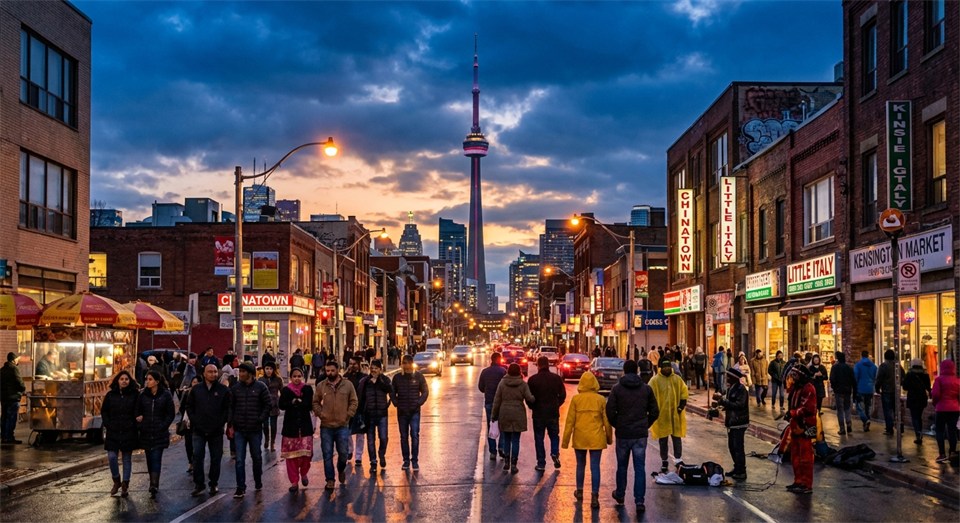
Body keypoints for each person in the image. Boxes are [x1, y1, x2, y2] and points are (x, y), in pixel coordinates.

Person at [606, 359, 659, 513]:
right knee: (640, 467)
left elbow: (610, 411)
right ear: (637, 370)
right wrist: (645, 424)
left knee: (622, 466)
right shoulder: (646, 389)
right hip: (639, 434)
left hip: (623, 433)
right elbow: (655, 411)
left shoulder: (617, 389)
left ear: (624, 370)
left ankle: (620, 494)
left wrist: (618, 424)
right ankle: (639, 500)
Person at [562, 371, 612, 509]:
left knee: (580, 465)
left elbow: (570, 421)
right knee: (595, 467)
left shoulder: (576, 400)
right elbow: (607, 422)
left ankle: (579, 491)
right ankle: (595, 496)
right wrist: (609, 438)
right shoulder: (601, 399)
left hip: (580, 437)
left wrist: (565, 441)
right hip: (596, 438)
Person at [185, 364, 230, 497]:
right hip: (199, 430)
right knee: (197, 457)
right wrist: (195, 420)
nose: (213, 374)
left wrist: (221, 422)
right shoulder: (196, 389)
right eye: (210, 372)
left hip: (216, 431)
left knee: (216, 458)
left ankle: (213, 483)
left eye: (215, 372)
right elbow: (189, 406)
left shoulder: (223, 390)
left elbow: (227, 409)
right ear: (204, 374)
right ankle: (199, 484)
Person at [227, 362, 271, 498]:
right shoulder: (235, 389)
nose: (240, 374)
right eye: (239, 372)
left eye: (243, 372)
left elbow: (267, 405)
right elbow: (231, 407)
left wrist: (260, 419)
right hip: (239, 429)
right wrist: (230, 423)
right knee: (239, 459)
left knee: (256, 457)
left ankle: (258, 480)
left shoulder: (260, 387)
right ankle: (240, 487)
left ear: (250, 373)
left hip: (255, 429)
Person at [313, 360, 358, 489]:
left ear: (338, 370)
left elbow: (354, 401)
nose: (330, 373)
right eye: (327, 371)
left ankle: (341, 469)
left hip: (342, 425)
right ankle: (330, 480)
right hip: (326, 426)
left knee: (343, 453)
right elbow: (315, 402)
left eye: (332, 370)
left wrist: (348, 415)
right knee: (327, 454)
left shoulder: (347, 385)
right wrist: (321, 414)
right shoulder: (321, 386)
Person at [135, 370, 175, 498]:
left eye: (150, 379)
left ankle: (154, 484)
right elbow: (137, 411)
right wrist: (140, 421)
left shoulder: (165, 395)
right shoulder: (142, 395)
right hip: (146, 432)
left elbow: (170, 413)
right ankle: (152, 481)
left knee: (156, 457)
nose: (148, 381)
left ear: (157, 382)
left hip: (159, 432)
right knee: (149, 458)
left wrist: (163, 426)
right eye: (147, 379)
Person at [492, 363, 535, 474]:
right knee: (516, 440)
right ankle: (514, 464)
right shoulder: (522, 384)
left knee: (506, 439)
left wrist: (494, 415)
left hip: (504, 412)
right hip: (518, 413)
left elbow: (497, 400)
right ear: (519, 371)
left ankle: (506, 461)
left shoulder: (502, 383)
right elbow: (529, 398)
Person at [101, 370, 139, 497]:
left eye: (126, 379)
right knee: (112, 456)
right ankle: (116, 480)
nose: (124, 381)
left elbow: (137, 411)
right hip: (113, 431)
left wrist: (135, 424)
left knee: (126, 458)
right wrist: (108, 424)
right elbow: (104, 411)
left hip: (128, 431)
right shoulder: (111, 395)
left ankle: (125, 484)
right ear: (117, 380)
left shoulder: (134, 395)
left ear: (130, 381)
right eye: (122, 379)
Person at [527, 356, 566, 471]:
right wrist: (556, 404)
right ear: (548, 365)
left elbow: (528, 397)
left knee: (539, 438)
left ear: (538, 365)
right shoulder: (556, 378)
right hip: (553, 413)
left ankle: (541, 463)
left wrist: (533, 407)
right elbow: (563, 395)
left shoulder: (533, 380)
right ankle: (554, 452)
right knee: (554, 435)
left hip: (538, 413)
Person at [648, 359, 688, 473]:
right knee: (663, 439)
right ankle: (664, 460)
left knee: (676, 438)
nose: (667, 369)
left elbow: (684, 392)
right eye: (664, 367)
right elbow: (650, 395)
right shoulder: (655, 381)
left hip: (675, 415)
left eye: (668, 367)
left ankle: (678, 459)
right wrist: (653, 410)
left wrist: (681, 406)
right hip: (662, 416)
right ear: (661, 368)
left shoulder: (677, 379)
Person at [278, 368, 315, 492]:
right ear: (291, 377)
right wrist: (292, 402)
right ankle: (294, 481)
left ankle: (304, 473)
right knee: (291, 457)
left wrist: (300, 402)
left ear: (303, 377)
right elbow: (281, 405)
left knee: (306, 455)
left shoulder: (307, 389)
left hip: (305, 428)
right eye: (294, 376)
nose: (297, 378)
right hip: (290, 428)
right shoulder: (286, 390)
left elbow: (310, 405)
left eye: (299, 376)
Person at [784, 365, 817, 494]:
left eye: (795, 375)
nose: (793, 378)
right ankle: (798, 481)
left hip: (806, 426)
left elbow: (807, 408)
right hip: (796, 425)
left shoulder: (808, 388)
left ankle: (806, 484)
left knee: (805, 456)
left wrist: (792, 413)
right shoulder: (796, 388)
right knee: (795, 455)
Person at [392, 354, 429, 471]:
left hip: (414, 412)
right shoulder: (397, 378)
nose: (406, 365)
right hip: (402, 412)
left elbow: (425, 391)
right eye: (404, 363)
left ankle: (415, 461)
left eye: (408, 363)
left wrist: (418, 402)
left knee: (414, 435)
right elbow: (392, 392)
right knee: (404, 437)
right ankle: (406, 460)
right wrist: (396, 403)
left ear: (411, 364)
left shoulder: (419, 377)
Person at [715, 367, 749, 481]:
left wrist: (724, 401)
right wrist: (722, 405)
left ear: (734, 378)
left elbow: (739, 405)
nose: (727, 378)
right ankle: (737, 467)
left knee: (738, 447)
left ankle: (742, 471)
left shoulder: (741, 389)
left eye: (729, 376)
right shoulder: (731, 389)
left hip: (739, 422)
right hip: (731, 422)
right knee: (732, 446)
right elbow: (731, 404)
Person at [358, 360, 392, 472]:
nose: (374, 370)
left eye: (376, 368)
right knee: (370, 440)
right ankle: (373, 461)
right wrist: (360, 413)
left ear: (380, 370)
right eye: (372, 368)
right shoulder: (365, 381)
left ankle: (381, 453)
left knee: (383, 437)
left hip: (382, 414)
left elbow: (389, 390)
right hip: (369, 415)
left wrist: (378, 381)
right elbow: (361, 398)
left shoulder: (385, 380)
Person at [478, 352, 508, 460]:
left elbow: (481, 387)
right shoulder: (503, 372)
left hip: (489, 402)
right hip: (501, 403)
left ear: (491, 359)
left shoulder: (485, 372)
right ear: (499, 359)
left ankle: (492, 451)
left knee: (491, 426)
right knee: (503, 426)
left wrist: (487, 390)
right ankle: (502, 447)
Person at [930, 359, 959, 463]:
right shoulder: (957, 380)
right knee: (952, 431)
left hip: (941, 408)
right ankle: (952, 452)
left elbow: (936, 394)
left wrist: (935, 403)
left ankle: (942, 454)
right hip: (954, 409)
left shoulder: (939, 380)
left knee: (940, 431)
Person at [343, 357, 367, 466]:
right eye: (350, 363)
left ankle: (358, 456)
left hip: (361, 409)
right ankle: (349, 449)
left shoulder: (364, 377)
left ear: (359, 365)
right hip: (348, 409)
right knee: (347, 432)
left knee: (360, 434)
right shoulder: (345, 377)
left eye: (354, 364)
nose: (352, 366)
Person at [902, 359, 931, 445]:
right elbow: (928, 387)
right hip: (922, 398)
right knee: (919, 416)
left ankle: (918, 434)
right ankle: (919, 432)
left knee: (914, 417)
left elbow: (905, 387)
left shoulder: (910, 374)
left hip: (913, 397)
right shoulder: (925, 375)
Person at [875, 349, 903, 435]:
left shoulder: (883, 366)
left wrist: (877, 388)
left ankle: (889, 428)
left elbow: (879, 378)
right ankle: (900, 427)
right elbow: (903, 376)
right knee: (897, 410)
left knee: (887, 410)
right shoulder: (898, 366)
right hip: (896, 391)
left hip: (886, 391)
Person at [1, 353, 26, 444]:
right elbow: (19, 382)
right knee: (11, 417)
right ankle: (9, 437)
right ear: (13, 360)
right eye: (17, 359)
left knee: (4, 417)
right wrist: (22, 390)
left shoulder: (2, 370)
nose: (17, 361)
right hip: (13, 397)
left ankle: (4, 436)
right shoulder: (14, 369)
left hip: (4, 397)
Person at [829, 351, 856, 435]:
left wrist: (834, 388)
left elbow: (832, 379)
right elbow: (853, 380)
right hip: (847, 391)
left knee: (840, 410)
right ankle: (849, 423)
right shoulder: (849, 368)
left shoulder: (835, 367)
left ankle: (842, 428)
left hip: (838, 391)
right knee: (847, 408)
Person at [259, 362, 283, 451]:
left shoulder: (278, 379)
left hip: (274, 406)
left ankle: (272, 442)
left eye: (271, 369)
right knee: (265, 425)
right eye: (267, 368)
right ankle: (266, 439)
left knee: (273, 426)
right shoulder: (261, 380)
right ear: (264, 369)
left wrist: (280, 401)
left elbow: (282, 391)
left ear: (274, 370)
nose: (269, 371)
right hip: (264, 406)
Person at [179, 376, 200, 475]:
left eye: (197, 382)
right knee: (188, 443)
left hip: (198, 423)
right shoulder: (187, 393)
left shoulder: (202, 393)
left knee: (197, 444)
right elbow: (182, 407)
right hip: (188, 423)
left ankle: (196, 462)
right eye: (193, 382)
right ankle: (191, 462)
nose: (194, 384)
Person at [854, 350, 878, 432]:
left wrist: (854, 387)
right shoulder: (873, 366)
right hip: (870, 388)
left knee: (859, 407)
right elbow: (875, 377)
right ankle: (866, 423)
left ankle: (865, 420)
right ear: (868, 355)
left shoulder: (858, 365)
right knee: (868, 407)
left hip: (860, 388)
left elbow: (855, 377)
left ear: (861, 355)